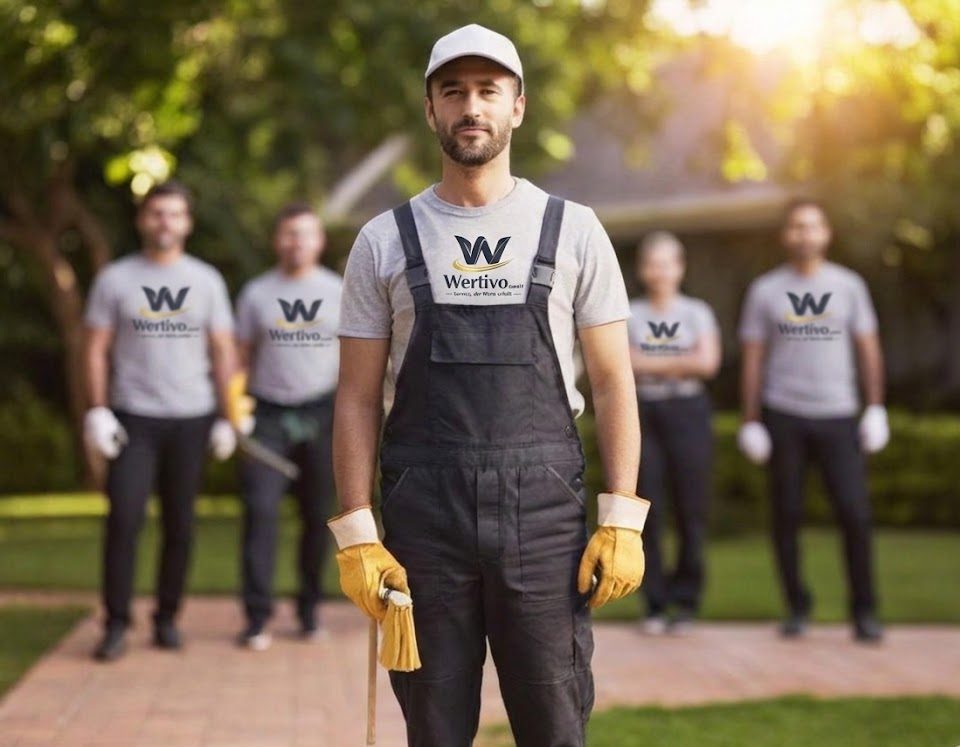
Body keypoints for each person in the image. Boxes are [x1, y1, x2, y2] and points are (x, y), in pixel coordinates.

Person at [327, 24, 649, 747]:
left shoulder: (575, 230)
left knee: (555, 725)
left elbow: (612, 379)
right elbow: (353, 396)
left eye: (488, 91)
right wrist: (356, 534)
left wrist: (622, 516)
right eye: (454, 92)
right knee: (436, 729)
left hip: (544, 519)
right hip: (424, 522)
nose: (471, 106)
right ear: (431, 111)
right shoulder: (384, 239)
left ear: (518, 107)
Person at [83, 181, 238, 661]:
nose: (164, 222)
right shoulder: (115, 279)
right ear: (142, 221)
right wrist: (97, 409)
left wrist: (227, 417)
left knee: (180, 526)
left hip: (191, 419)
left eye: (173, 214)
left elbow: (223, 351)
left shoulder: (206, 281)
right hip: (134, 420)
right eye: (156, 214)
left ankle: (167, 619)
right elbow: (94, 348)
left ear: (187, 223)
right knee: (124, 521)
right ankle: (114, 623)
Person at [737, 197, 889, 643]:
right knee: (786, 515)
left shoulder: (849, 286)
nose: (806, 234)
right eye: (797, 227)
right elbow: (753, 357)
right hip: (784, 415)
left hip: (839, 414)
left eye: (814, 226)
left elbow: (868, 349)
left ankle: (865, 612)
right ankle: (796, 608)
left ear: (826, 233)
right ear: (787, 236)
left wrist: (876, 407)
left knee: (855, 514)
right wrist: (751, 420)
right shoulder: (765, 290)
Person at [233, 203, 342, 650]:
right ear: (277, 240)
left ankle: (309, 610)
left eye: (305, 234)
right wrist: (233, 413)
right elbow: (240, 356)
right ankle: (257, 617)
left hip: (322, 414)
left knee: (318, 517)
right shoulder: (257, 293)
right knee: (260, 514)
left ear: (319, 241)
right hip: (268, 418)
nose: (296, 242)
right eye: (288, 234)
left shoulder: (340, 290)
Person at [628, 232, 720, 635]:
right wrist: (680, 360)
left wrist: (649, 361)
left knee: (691, 509)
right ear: (642, 269)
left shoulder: (697, 311)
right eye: (652, 263)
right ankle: (654, 603)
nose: (660, 271)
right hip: (643, 412)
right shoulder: (630, 312)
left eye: (668, 263)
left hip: (688, 411)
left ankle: (686, 601)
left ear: (680, 267)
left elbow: (708, 364)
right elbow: (622, 363)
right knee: (648, 507)